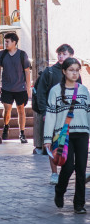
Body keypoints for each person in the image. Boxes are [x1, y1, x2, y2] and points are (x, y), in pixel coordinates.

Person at [44, 58, 90, 214]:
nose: (74, 73)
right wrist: (47, 139)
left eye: (77, 70)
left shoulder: (83, 90)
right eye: (71, 70)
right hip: (64, 135)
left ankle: (79, 204)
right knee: (68, 166)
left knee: (81, 168)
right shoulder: (55, 91)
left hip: (82, 133)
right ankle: (60, 189)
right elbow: (50, 116)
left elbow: (88, 112)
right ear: (64, 71)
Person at [34, 44, 77, 185]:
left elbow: (79, 92)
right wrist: (44, 113)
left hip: (71, 117)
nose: (60, 56)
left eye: (63, 54)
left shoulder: (75, 72)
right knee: (54, 143)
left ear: (70, 55)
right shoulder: (50, 72)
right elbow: (40, 94)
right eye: (59, 54)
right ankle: (54, 173)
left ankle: (71, 170)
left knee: (71, 144)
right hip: (53, 116)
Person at [0, 32, 31, 144]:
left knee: (21, 110)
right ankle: (6, 126)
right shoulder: (2, 54)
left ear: (14, 42)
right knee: (7, 110)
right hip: (6, 87)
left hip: (20, 88)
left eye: (7, 41)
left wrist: (28, 88)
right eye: (5, 41)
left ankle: (22, 133)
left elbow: (27, 71)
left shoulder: (22, 55)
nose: (5, 43)